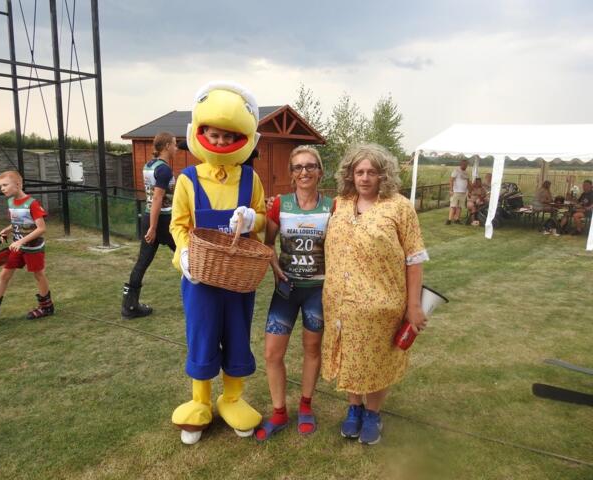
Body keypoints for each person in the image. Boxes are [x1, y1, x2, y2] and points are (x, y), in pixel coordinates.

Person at [170, 81, 266, 445]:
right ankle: (200, 401)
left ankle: (233, 398)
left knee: (237, 334)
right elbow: (178, 225)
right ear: (201, 133)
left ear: (242, 138)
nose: (222, 141)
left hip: (238, 277)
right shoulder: (187, 180)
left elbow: (262, 218)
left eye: (229, 136)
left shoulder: (251, 179)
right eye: (215, 134)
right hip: (201, 278)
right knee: (202, 334)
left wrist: (252, 219)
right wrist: (185, 256)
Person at [321, 143, 428, 445]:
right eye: (359, 172)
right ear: (350, 175)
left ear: (384, 175)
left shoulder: (399, 207)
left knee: (377, 360)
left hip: (382, 305)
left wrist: (414, 305)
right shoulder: (340, 204)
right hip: (340, 303)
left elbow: (414, 258)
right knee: (350, 356)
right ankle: (354, 407)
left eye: (372, 172)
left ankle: (373, 413)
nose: (365, 178)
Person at [255, 146, 332, 441]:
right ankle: (279, 412)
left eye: (310, 166)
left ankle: (305, 406)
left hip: (317, 292)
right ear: (291, 173)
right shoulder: (280, 204)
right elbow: (268, 243)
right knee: (272, 353)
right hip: (286, 290)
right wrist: (275, 266)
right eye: (298, 167)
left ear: (320, 171)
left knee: (312, 350)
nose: (304, 172)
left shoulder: (332, 207)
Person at [0, 170, 53, 324]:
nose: (2, 188)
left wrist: (21, 241)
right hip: (17, 247)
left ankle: (46, 307)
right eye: (0, 186)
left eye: (5, 185)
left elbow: (41, 228)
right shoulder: (11, 202)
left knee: (38, 275)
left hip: (33, 248)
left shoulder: (32, 204)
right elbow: (19, 221)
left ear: (18, 184)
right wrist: (8, 229)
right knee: (4, 275)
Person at [121, 132, 177, 319]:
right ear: (167, 146)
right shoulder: (164, 170)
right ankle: (203, 297)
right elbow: (158, 198)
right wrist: (153, 228)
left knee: (142, 262)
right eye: (174, 144)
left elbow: (153, 197)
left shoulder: (149, 165)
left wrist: (150, 225)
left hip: (148, 217)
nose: (176, 148)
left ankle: (129, 306)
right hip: (163, 220)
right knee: (187, 254)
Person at [446, 159, 470, 225]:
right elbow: (451, 180)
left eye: (466, 164)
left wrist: (469, 191)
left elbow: (468, 182)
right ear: (461, 164)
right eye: (464, 164)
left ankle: (457, 219)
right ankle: (449, 220)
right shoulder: (456, 170)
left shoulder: (467, 172)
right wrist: (451, 190)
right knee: (453, 206)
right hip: (456, 191)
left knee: (460, 206)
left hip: (463, 192)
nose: (465, 166)